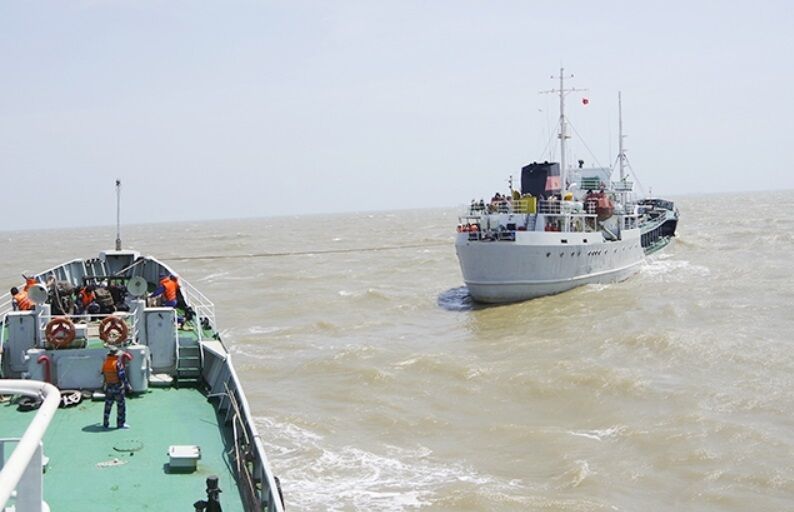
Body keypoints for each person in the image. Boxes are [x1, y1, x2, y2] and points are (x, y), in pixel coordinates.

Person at [101, 345, 131, 429]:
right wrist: (128, 386)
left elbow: (103, 375)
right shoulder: (117, 364)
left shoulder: (105, 363)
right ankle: (120, 424)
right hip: (118, 388)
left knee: (108, 406)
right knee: (121, 406)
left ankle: (105, 423)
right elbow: (122, 377)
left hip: (109, 387)